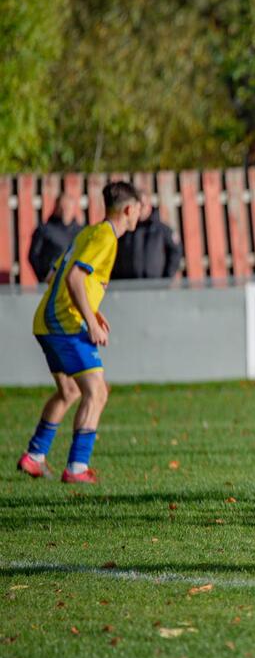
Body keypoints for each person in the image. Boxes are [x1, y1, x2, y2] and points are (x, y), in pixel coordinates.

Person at [17, 182, 141, 483]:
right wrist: (90, 321)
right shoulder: (106, 238)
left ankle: (34, 457)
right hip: (64, 324)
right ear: (128, 210)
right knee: (96, 391)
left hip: (48, 321)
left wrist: (94, 312)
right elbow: (73, 277)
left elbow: (61, 275)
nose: (141, 212)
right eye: (139, 207)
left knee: (70, 391)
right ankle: (76, 468)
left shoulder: (89, 231)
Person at [111, 191, 183, 280]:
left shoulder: (161, 230)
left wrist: (166, 277)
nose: (140, 209)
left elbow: (176, 251)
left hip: (155, 286)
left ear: (149, 205)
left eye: (143, 205)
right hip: (129, 287)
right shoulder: (124, 230)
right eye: (137, 206)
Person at [28, 202, 83, 283]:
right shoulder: (44, 229)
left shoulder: (81, 231)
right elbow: (33, 255)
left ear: (73, 209)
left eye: (68, 208)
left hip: (75, 281)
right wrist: (43, 276)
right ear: (56, 209)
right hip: (52, 281)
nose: (65, 211)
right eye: (62, 208)